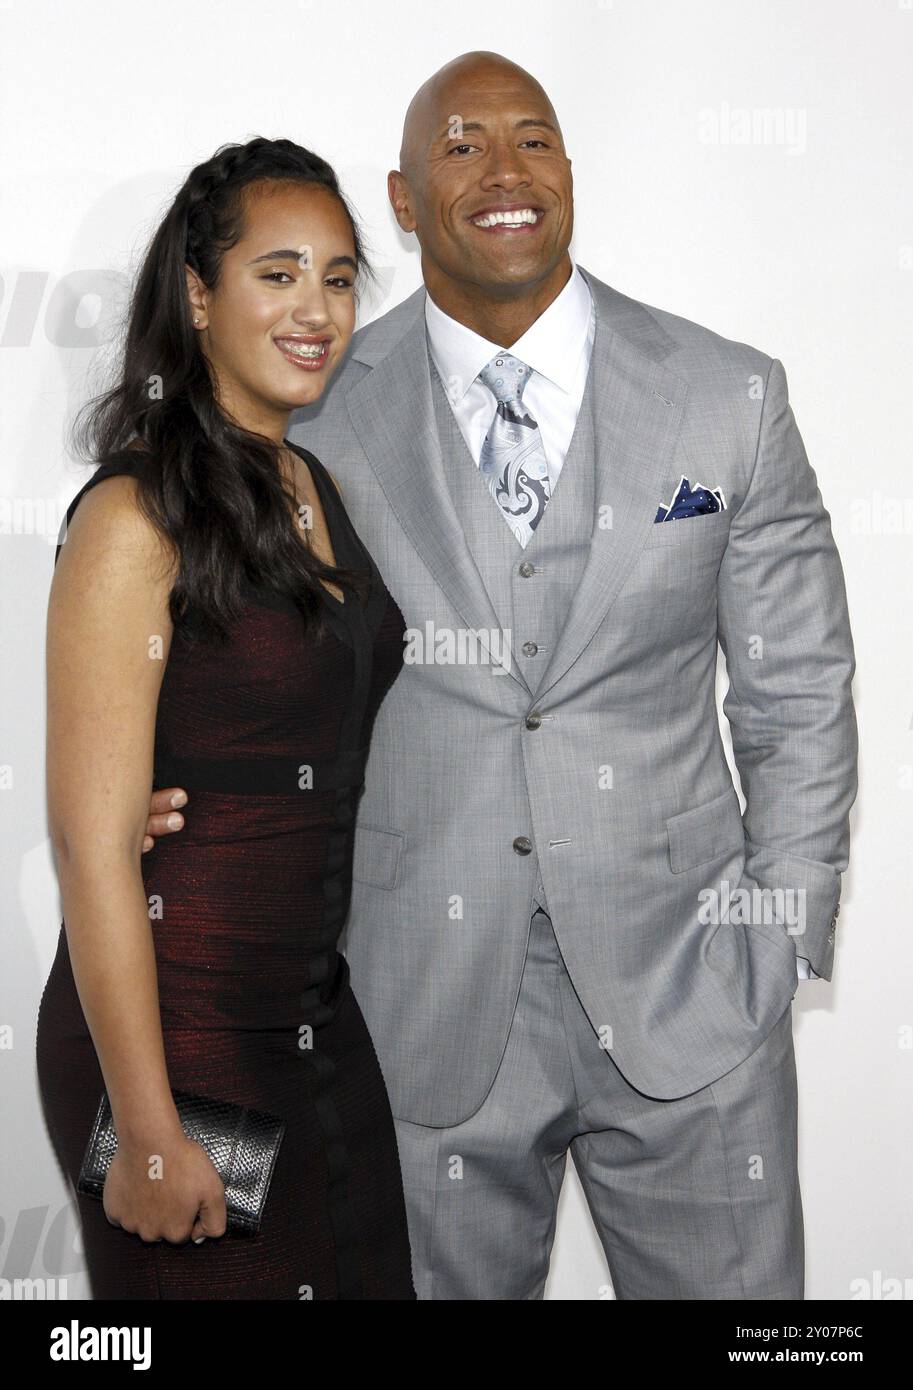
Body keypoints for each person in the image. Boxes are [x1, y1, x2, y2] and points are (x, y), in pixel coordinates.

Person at [144, 53, 858, 1300]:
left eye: (533, 138)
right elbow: (226, 650)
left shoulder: (725, 395)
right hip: (418, 1003)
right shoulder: (311, 408)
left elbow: (797, 683)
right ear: (406, 201)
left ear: (570, 175)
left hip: (695, 997)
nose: (505, 170)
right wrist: (157, 797)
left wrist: (783, 927)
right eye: (462, 145)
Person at [36, 137, 416, 1300]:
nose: (317, 309)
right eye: (279, 272)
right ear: (198, 294)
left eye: (341, 277)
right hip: (174, 1042)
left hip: (313, 1022)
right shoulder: (132, 514)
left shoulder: (317, 490)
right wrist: (148, 1125)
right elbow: (92, 848)